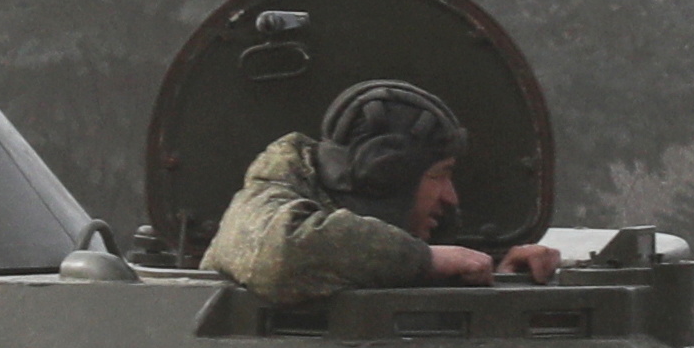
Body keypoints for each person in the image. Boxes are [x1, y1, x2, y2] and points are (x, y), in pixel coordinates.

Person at [203, 77, 561, 299]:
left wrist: (501, 282)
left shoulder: (376, 254)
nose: (451, 197)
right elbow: (278, 254)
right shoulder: (265, 204)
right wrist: (427, 260)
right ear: (385, 176)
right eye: (438, 176)